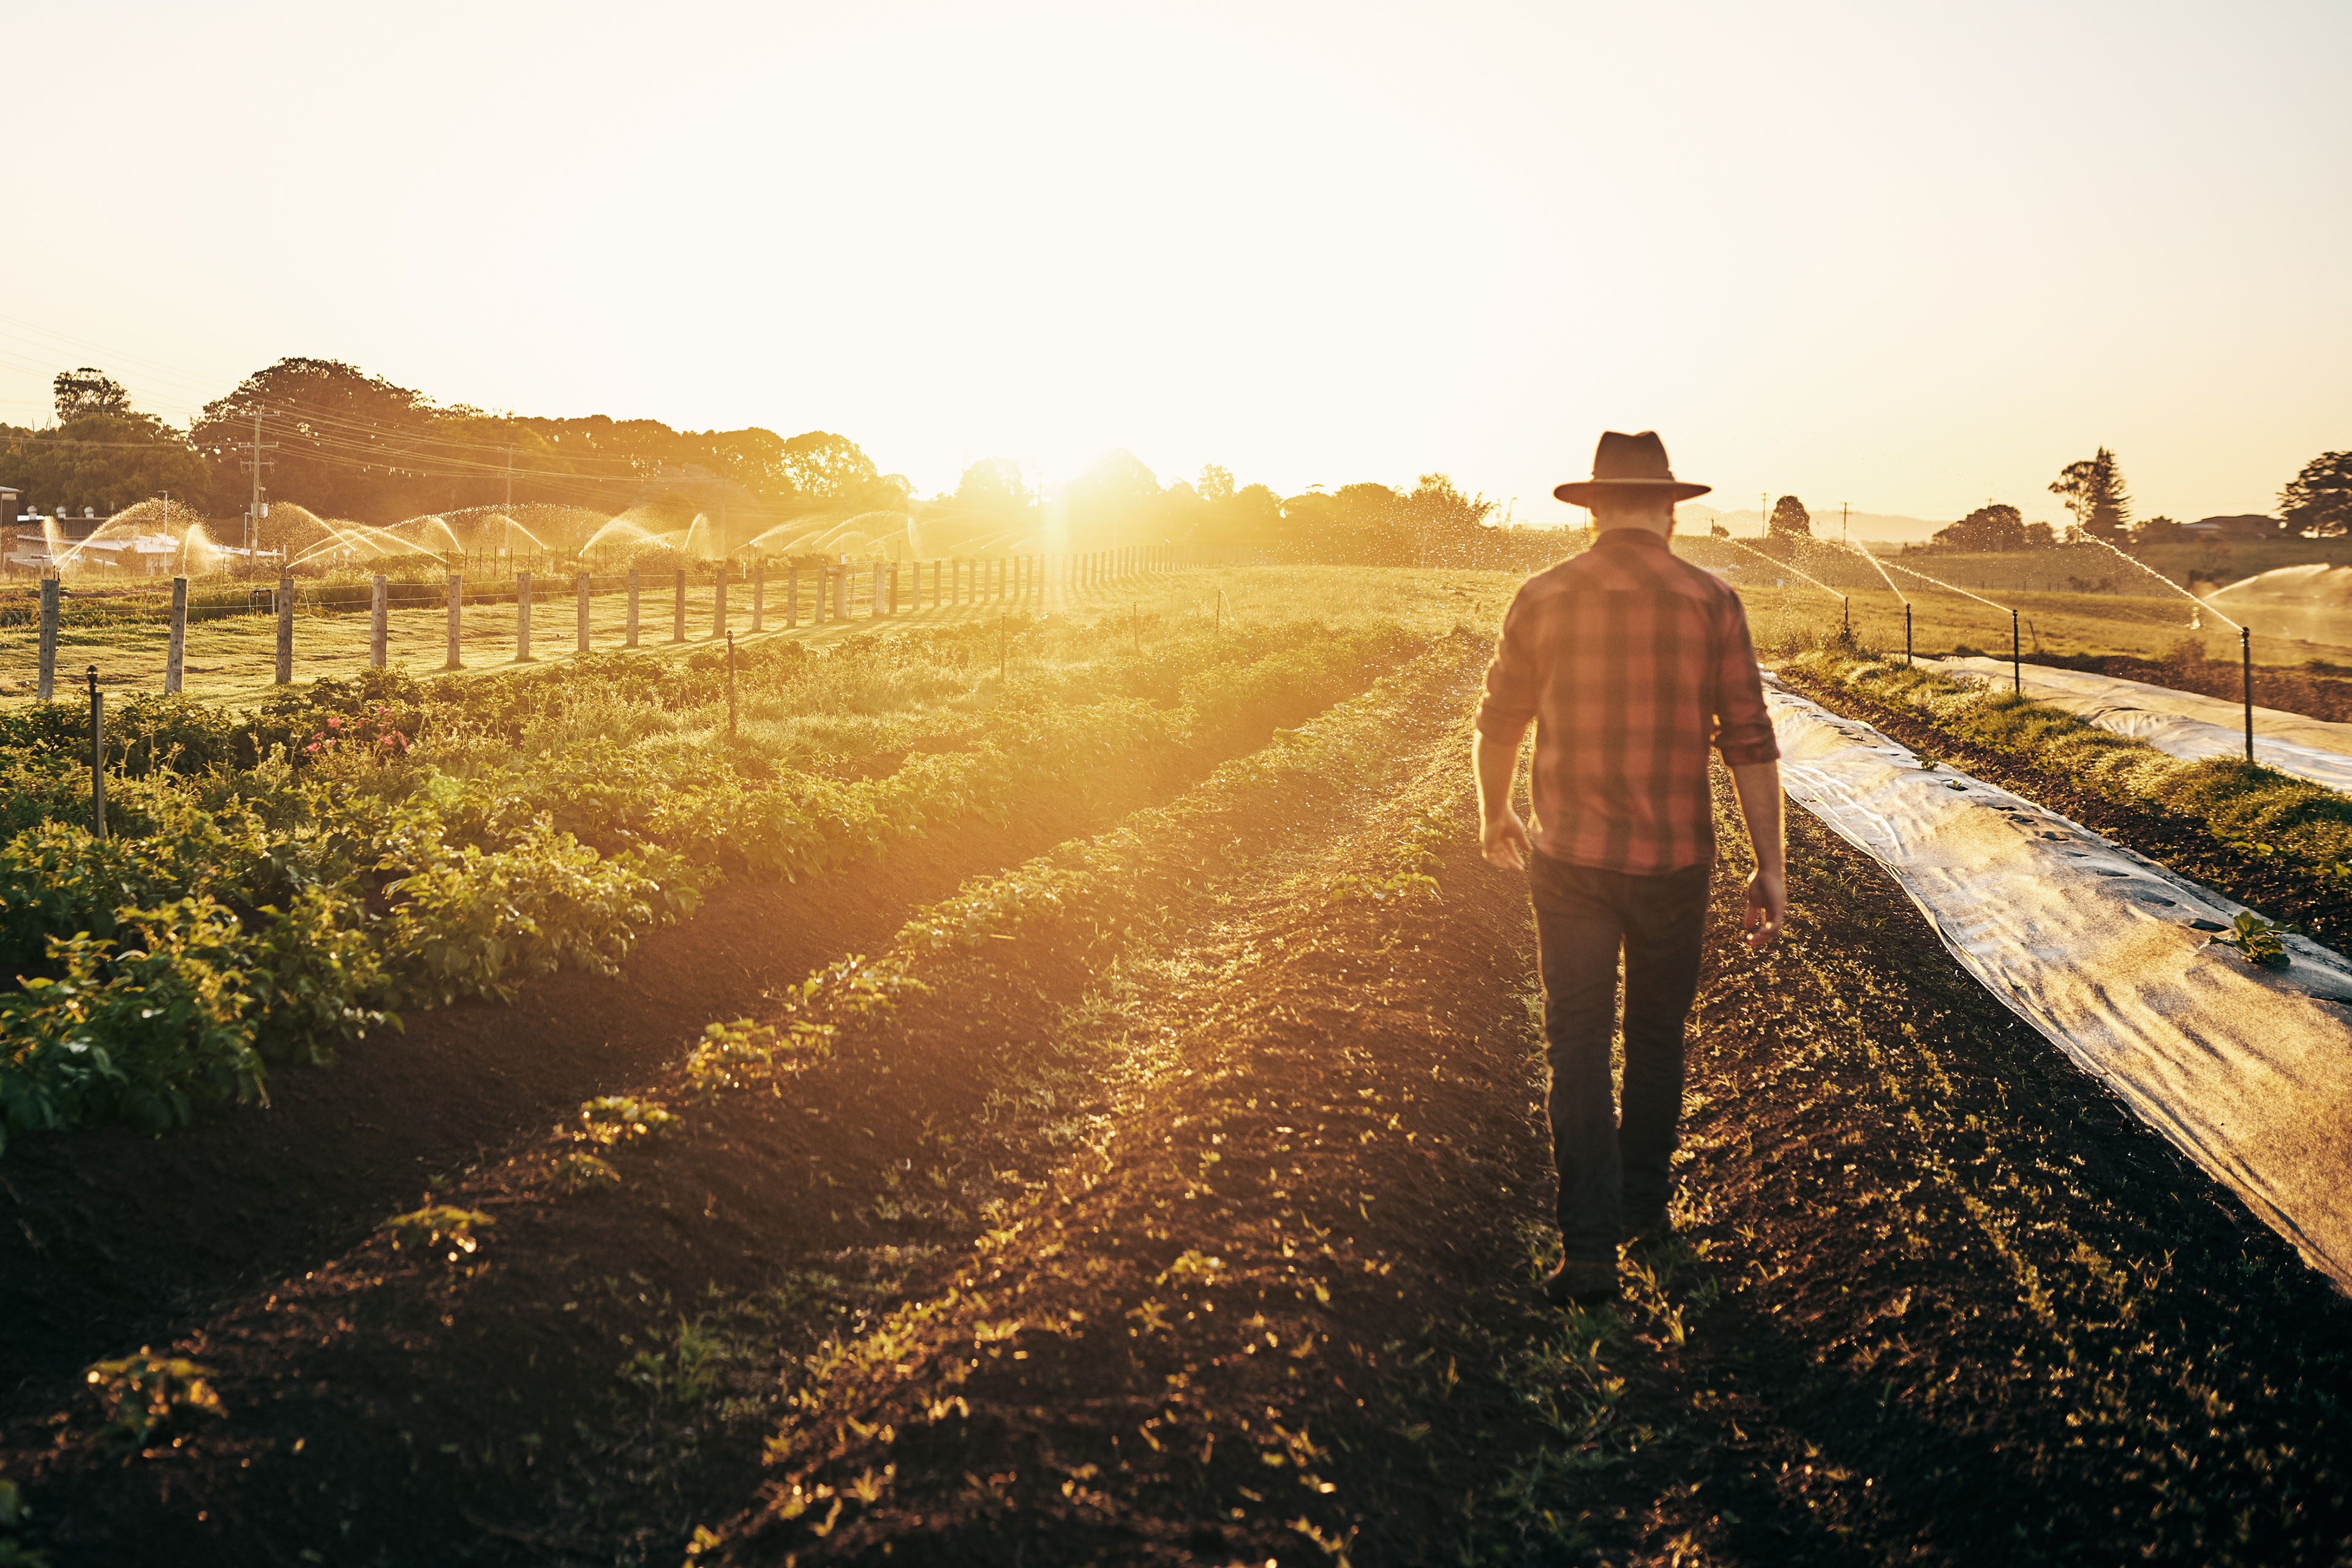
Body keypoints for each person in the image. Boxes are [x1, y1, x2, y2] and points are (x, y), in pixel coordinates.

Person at [1473, 430, 1786, 1309]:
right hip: (1676, 859)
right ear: (1671, 510)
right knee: (1655, 1037)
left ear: (1594, 508)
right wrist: (1771, 868)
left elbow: (1498, 723)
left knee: (1575, 1042)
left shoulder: (1542, 597)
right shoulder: (1711, 601)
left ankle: (1589, 1250)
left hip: (1567, 856)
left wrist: (1494, 811)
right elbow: (1751, 744)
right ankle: (1647, 1217)